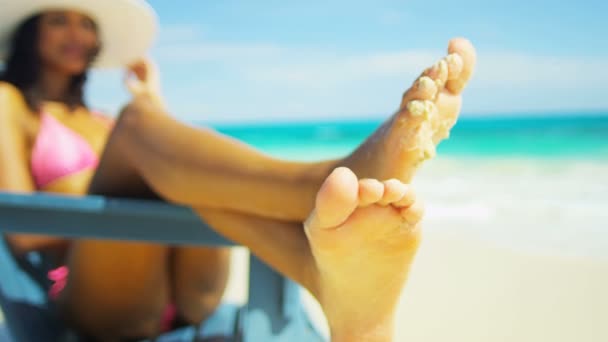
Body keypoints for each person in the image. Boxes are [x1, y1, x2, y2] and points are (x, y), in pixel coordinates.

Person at [0, 0, 476, 340]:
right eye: (59, 21)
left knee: (174, 156)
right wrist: (116, 205)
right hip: (95, 297)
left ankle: (312, 263)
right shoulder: (10, 104)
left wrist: (153, 105)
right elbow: (19, 230)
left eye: (85, 24)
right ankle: (321, 186)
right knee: (141, 129)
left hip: (187, 292)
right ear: (29, 32)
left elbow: (161, 162)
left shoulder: (101, 120)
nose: (76, 34)